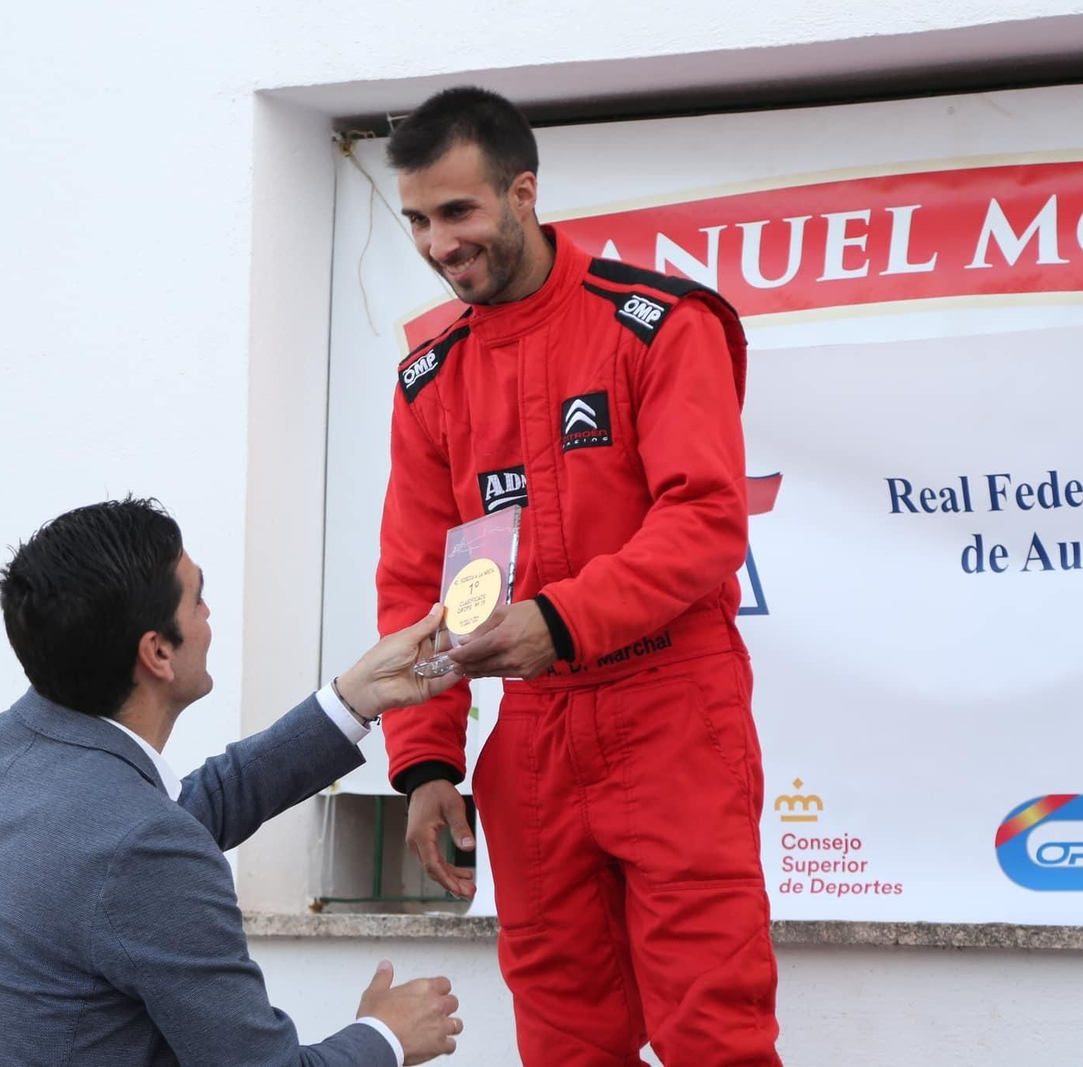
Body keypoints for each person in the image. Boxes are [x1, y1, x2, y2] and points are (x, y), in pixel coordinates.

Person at [375, 88, 782, 1065]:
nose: (438, 243)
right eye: (419, 221)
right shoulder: (430, 378)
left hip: (672, 712)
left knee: (713, 1031)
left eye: (459, 212)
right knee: (562, 1039)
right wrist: (427, 760)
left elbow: (705, 520)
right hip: (534, 743)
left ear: (524, 193)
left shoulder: (656, 324)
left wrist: (559, 618)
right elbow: (412, 582)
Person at [0, 497, 464, 1067]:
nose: (210, 615)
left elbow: (166, 825)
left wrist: (354, 699)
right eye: (198, 598)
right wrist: (386, 1037)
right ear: (157, 651)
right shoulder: (141, 849)